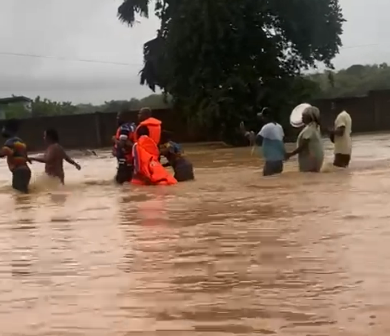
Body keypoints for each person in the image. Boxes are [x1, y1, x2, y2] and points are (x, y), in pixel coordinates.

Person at [241, 107, 285, 176]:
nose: (262, 119)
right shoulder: (279, 127)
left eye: (263, 117)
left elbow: (257, 141)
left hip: (271, 162)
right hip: (279, 162)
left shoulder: (267, 127)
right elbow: (281, 143)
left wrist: (246, 133)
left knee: (267, 180)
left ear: (266, 117)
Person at [285, 106, 324, 172]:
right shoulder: (315, 126)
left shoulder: (309, 129)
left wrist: (291, 154)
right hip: (314, 157)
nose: (302, 118)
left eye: (304, 116)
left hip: (309, 159)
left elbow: (303, 145)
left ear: (309, 117)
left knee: (308, 177)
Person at [0, 119, 31, 193]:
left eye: (3, 128)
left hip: (19, 171)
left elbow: (3, 153)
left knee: (19, 196)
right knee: (24, 195)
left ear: (8, 130)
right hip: (26, 170)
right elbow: (25, 157)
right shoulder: (20, 141)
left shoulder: (10, 141)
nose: (2, 130)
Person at [112, 111, 136, 184]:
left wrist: (114, 140)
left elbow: (122, 144)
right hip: (132, 157)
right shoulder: (133, 126)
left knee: (120, 182)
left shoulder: (124, 129)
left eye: (118, 117)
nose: (117, 119)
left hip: (125, 158)